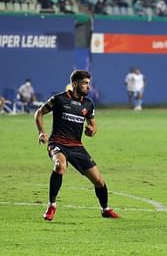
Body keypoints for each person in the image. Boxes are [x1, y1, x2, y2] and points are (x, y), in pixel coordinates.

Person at [34, 70, 120, 221]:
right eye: (85, 83)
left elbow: (93, 128)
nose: (88, 87)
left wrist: (91, 131)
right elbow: (39, 113)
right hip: (58, 143)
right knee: (60, 165)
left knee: (99, 181)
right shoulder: (59, 99)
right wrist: (41, 132)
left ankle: (105, 209)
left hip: (77, 147)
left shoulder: (88, 104)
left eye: (89, 84)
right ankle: (52, 205)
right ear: (75, 84)